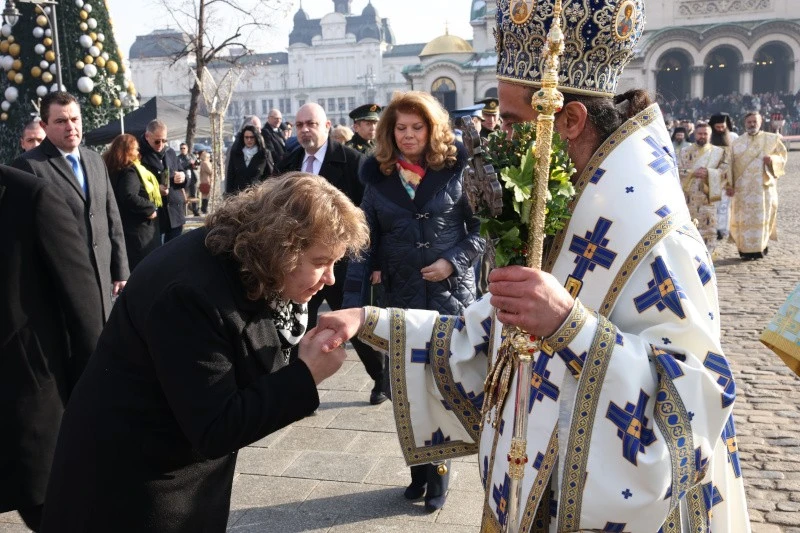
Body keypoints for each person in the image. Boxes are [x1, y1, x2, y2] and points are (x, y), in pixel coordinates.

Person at [316, 0, 750, 530]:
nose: (500, 137)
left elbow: (699, 397)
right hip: (534, 483)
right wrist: (369, 319)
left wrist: (571, 327)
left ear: (568, 119)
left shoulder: (656, 234)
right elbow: (490, 337)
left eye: (515, 121)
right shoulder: (577, 200)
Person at [39, 173, 370, 533]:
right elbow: (216, 426)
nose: (331, 279)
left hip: (171, 476)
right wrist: (306, 375)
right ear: (283, 247)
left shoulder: (245, 264)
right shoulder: (191, 293)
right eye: (321, 261)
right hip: (129, 492)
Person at [343, 90, 485, 513]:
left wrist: (451, 261)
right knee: (407, 386)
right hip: (402, 297)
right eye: (400, 128)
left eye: (416, 127)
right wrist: (352, 303)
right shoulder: (378, 177)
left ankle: (439, 468)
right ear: (389, 132)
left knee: (442, 384)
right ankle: (417, 467)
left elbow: (480, 231)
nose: (408, 136)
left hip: (449, 297)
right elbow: (365, 242)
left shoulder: (458, 170)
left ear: (432, 129)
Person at [0, 166, 104, 533]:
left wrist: (92, 404)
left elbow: (85, 308)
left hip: (28, 401)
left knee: (53, 514)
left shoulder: (33, 198)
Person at [276, 103, 387, 406]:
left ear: (327, 126)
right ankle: (296, 389)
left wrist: (374, 262)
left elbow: (370, 216)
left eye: (311, 123)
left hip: (343, 264)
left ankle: (381, 378)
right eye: (299, 125)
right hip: (299, 265)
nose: (304, 130)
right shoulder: (288, 162)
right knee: (296, 327)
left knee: (352, 324)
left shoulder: (353, 162)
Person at [11, 91, 128, 319]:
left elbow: (111, 216)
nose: (70, 127)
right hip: (59, 285)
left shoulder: (95, 160)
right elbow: (22, 236)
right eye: (61, 121)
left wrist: (121, 269)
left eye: (74, 119)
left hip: (103, 280)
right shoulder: (29, 166)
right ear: (44, 126)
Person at [728, 111, 787, 260]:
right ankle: (744, 250)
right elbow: (730, 165)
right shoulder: (737, 143)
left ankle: (761, 247)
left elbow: (782, 157)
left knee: (763, 217)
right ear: (744, 123)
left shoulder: (772, 139)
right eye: (749, 122)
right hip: (742, 190)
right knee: (744, 219)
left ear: (760, 123)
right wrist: (730, 184)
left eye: (755, 121)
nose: (752, 124)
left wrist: (772, 160)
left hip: (763, 188)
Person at [103, 134, 162, 271]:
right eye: (136, 149)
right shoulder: (129, 171)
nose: (138, 152)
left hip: (125, 227)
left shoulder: (112, 169)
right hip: (139, 231)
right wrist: (150, 208)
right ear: (127, 151)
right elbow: (129, 196)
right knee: (144, 270)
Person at [678, 121, 728, 254]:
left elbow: (725, 173)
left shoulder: (719, 152)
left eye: (705, 134)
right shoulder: (684, 152)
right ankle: (689, 257)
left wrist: (710, 174)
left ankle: (708, 257)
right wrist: (692, 173)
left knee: (708, 230)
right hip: (688, 199)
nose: (702, 136)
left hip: (707, 199)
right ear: (695, 134)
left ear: (710, 135)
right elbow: (676, 171)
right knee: (688, 230)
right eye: (700, 133)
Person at [138, 119, 187, 243]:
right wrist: (155, 189)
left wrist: (182, 177)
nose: (161, 144)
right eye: (157, 141)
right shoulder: (139, 155)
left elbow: (183, 173)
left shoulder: (169, 152)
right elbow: (134, 185)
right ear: (147, 136)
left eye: (164, 140)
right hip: (156, 214)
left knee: (175, 253)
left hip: (175, 213)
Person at [708, 112, 738, 240]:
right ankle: (712, 228)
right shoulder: (708, 137)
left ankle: (722, 230)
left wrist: (733, 182)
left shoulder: (733, 137)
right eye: (717, 127)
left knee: (725, 206)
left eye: (723, 127)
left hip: (728, 178)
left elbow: (737, 160)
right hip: (711, 177)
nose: (720, 129)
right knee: (712, 205)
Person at [225, 125, 274, 195]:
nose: (249, 140)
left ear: (256, 138)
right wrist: (228, 196)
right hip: (238, 196)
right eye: (246, 137)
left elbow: (270, 177)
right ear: (243, 138)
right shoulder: (236, 154)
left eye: (252, 137)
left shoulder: (264, 154)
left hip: (257, 196)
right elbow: (230, 176)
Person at [178, 142, 200, 216]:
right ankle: (183, 211)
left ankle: (195, 211)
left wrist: (194, 163)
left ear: (187, 149)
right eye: (181, 148)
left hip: (193, 178)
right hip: (184, 179)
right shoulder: (178, 158)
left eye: (184, 148)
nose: (182, 150)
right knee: (183, 195)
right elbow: (179, 166)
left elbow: (197, 165)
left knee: (194, 194)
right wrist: (188, 163)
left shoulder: (192, 156)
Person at [198, 150, 213, 214]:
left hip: (203, 181)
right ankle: (204, 208)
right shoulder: (205, 163)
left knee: (204, 195)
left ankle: (203, 208)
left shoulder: (202, 163)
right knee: (206, 195)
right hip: (207, 181)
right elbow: (210, 171)